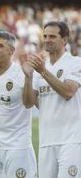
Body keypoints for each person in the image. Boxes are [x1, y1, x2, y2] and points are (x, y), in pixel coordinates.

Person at [23, 21, 81, 178]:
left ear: (64, 40)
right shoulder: (39, 67)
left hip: (71, 141)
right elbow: (28, 103)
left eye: (52, 36)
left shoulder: (75, 63)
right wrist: (28, 77)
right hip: (46, 141)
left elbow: (68, 92)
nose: (47, 39)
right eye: (45, 36)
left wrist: (43, 72)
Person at [0, 31, 37, 178]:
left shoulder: (22, 72)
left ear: (11, 50)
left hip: (17, 147)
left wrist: (29, 78)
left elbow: (29, 103)